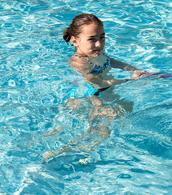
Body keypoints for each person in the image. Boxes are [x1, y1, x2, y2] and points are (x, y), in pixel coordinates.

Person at [42, 13, 149, 163]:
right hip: (86, 97)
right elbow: (96, 83)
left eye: (102, 37)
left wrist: (131, 69)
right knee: (102, 126)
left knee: (123, 110)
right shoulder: (79, 62)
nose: (99, 44)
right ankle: (65, 152)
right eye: (92, 39)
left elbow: (109, 61)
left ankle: (85, 150)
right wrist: (127, 80)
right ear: (75, 41)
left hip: (101, 94)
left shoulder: (96, 52)